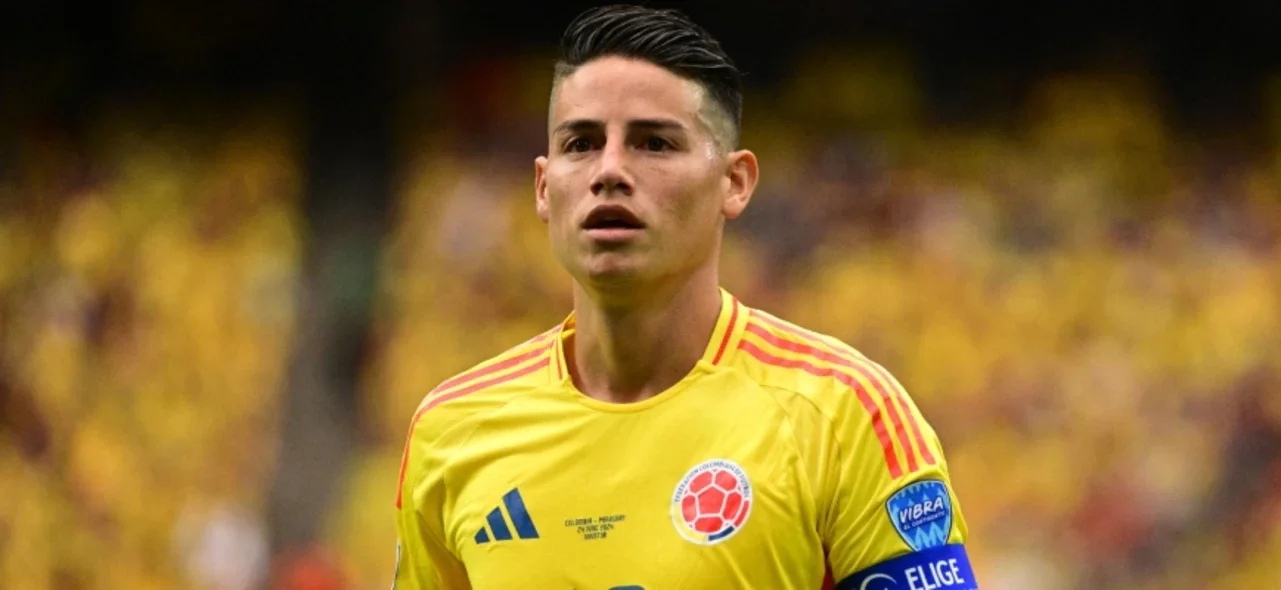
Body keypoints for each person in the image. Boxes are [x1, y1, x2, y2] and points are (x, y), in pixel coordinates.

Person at [393, 5, 975, 589]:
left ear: (734, 182)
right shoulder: (452, 431)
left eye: (654, 143)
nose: (610, 170)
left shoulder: (845, 413)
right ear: (544, 187)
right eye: (581, 143)